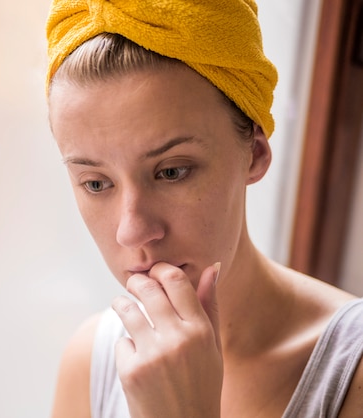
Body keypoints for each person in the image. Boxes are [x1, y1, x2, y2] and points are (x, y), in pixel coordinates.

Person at [44, 1, 363, 417]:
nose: (132, 230)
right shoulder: (91, 363)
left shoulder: (352, 376)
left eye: (172, 171)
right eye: (96, 183)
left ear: (255, 154)